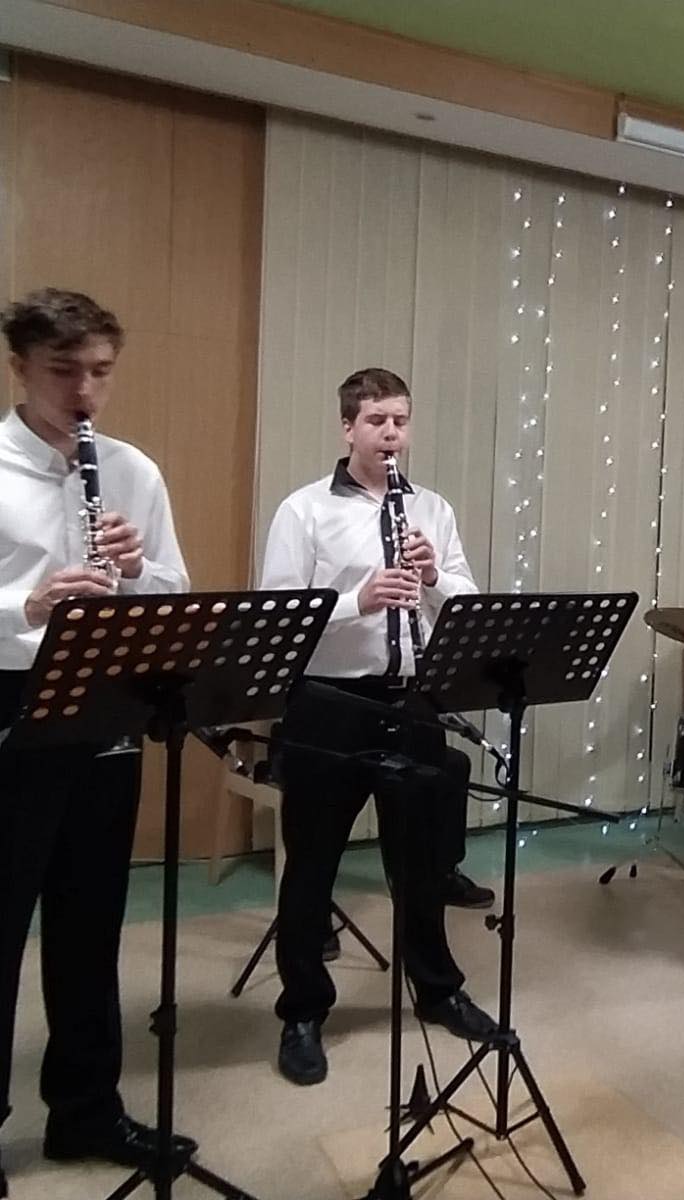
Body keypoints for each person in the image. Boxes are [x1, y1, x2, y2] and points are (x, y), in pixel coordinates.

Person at [0, 288, 194, 1184]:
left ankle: (85, 1111)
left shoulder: (131, 470)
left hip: (105, 701)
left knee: (91, 922)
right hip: (9, 697)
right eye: (64, 371)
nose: (85, 391)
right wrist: (27, 605)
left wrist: (137, 568)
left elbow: (174, 593)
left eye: (101, 372)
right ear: (20, 368)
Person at [260, 367, 495, 1086]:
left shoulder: (432, 509)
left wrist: (433, 578)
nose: (391, 434)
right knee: (313, 864)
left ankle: (437, 988)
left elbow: (467, 598)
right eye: (376, 421)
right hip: (328, 704)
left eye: (400, 420)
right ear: (348, 428)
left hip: (411, 701)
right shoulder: (304, 510)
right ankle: (303, 1010)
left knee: (420, 863)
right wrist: (355, 601)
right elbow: (277, 615)